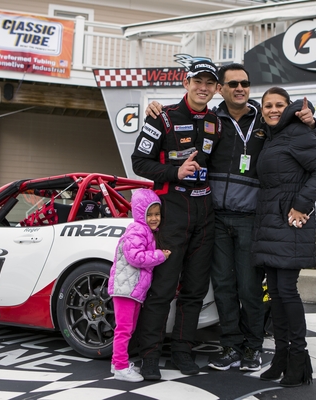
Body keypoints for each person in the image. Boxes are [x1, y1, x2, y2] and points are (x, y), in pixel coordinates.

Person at [145, 63, 316, 373]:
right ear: (221, 89)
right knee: (224, 287)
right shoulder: (213, 121)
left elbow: (305, 138)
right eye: (232, 84)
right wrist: (156, 109)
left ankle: (252, 346)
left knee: (250, 288)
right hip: (214, 216)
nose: (239, 88)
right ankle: (230, 345)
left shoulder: (266, 119)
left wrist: (313, 122)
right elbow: (175, 131)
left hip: (252, 218)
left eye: (245, 83)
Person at [131, 59, 221, 380]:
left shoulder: (217, 121)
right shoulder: (164, 117)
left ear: (216, 88)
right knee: (163, 288)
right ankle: (150, 356)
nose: (203, 87)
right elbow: (138, 162)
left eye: (210, 83)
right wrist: (174, 171)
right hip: (172, 211)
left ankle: (183, 351)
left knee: (194, 290)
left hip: (204, 212)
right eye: (198, 81)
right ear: (186, 83)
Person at [252, 87, 316, 387]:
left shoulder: (297, 132)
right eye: (268, 105)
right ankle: (281, 357)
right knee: (274, 293)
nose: (273, 109)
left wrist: (301, 204)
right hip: (271, 223)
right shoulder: (272, 137)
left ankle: (299, 359)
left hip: (291, 222)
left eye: (279, 105)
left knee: (286, 291)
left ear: (289, 107)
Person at [108, 188, 171, 382]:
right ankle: (120, 367)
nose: (154, 218)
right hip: (125, 290)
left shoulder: (146, 231)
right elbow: (134, 257)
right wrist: (160, 255)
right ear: (139, 213)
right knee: (124, 329)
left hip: (132, 290)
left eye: (157, 214)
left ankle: (117, 363)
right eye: (149, 214)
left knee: (129, 328)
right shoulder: (137, 230)